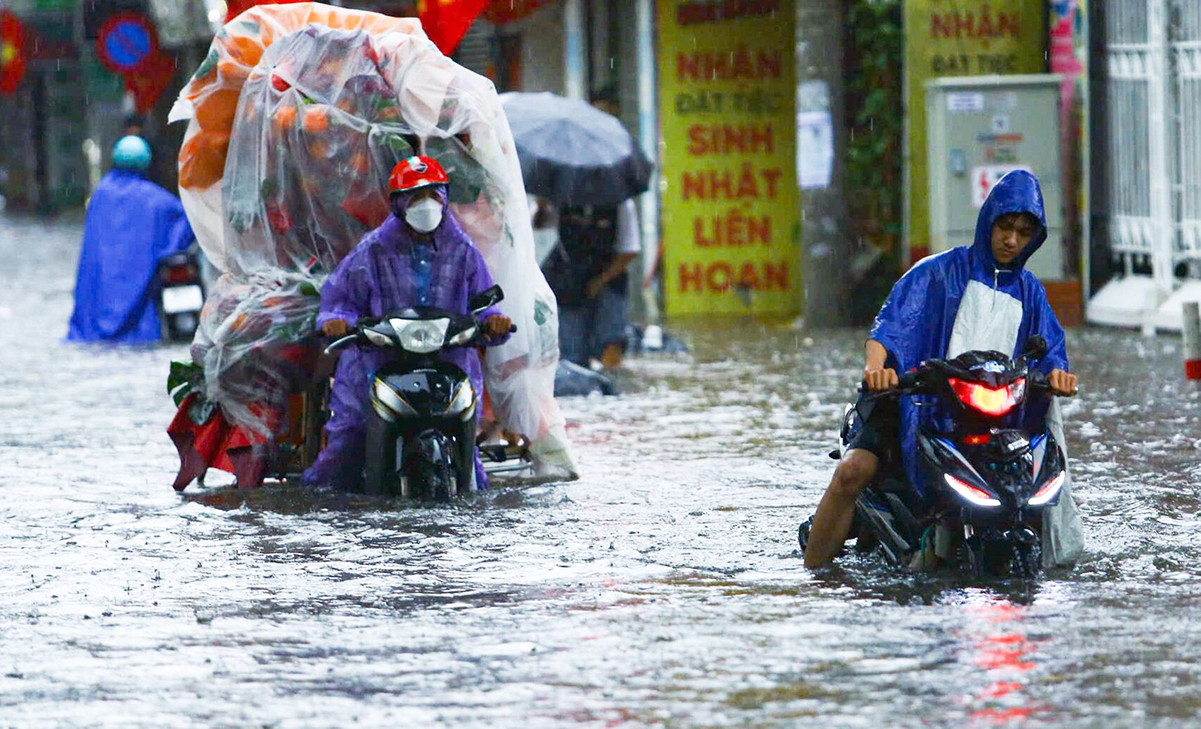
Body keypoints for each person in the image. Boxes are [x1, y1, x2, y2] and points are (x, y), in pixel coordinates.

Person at [803, 170, 1080, 569]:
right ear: (988, 221)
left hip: (991, 418)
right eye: (1005, 227)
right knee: (853, 470)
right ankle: (815, 574)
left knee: (1036, 484)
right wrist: (877, 367)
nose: (1011, 240)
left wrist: (1058, 376)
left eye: (1023, 233)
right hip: (913, 399)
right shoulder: (937, 272)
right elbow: (890, 326)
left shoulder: (1031, 292)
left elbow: (1051, 350)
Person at [303, 156, 512, 491]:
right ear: (398, 203)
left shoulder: (463, 250)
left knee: (470, 459)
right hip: (377, 362)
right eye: (416, 197)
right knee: (347, 442)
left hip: (447, 361)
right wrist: (337, 321)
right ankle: (327, 501)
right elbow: (340, 299)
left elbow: (484, 303)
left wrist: (493, 322)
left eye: (433, 195)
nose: (426, 204)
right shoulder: (372, 250)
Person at [68, 135, 195, 344]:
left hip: (100, 296)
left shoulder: (101, 193)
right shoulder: (156, 199)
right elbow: (187, 221)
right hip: (140, 292)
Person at [543, 198, 640, 369]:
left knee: (611, 342)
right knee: (572, 353)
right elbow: (540, 224)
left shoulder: (621, 202)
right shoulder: (562, 198)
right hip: (569, 282)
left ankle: (611, 379)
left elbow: (629, 250)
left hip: (610, 279)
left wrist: (600, 281)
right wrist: (542, 205)